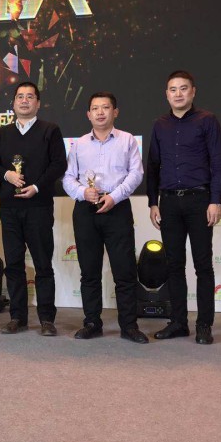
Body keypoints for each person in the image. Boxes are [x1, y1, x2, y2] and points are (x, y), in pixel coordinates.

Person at [146, 70, 221, 345]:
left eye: (183, 88)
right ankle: (178, 323)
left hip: (199, 201)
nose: (178, 94)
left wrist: (216, 200)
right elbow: (153, 166)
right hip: (168, 202)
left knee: (203, 265)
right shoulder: (160, 125)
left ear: (193, 92)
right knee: (174, 265)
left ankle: (204, 324)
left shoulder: (207, 120)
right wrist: (152, 202)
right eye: (173, 89)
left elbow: (218, 163)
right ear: (166, 94)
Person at [62, 92, 147, 343]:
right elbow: (68, 177)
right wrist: (82, 192)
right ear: (88, 114)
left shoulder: (127, 140)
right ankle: (92, 323)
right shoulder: (79, 144)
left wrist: (114, 197)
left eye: (106, 107)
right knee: (89, 272)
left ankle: (129, 326)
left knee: (124, 271)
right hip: (86, 210)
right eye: (95, 108)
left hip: (117, 208)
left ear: (115, 112)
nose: (100, 112)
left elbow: (136, 174)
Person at [0, 82, 67, 336]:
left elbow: (59, 165)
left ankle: (46, 319)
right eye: (20, 96)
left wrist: (36, 186)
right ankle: (17, 317)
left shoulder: (50, 130)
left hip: (38, 206)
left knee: (43, 264)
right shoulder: (3, 133)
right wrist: (7, 175)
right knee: (13, 264)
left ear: (38, 103)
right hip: (10, 208)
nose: (24, 101)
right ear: (13, 103)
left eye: (30, 97)